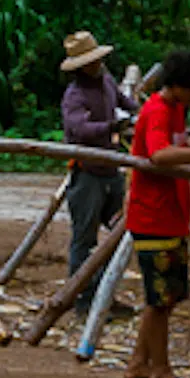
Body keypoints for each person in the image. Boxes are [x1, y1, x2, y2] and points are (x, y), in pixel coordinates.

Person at [120, 47, 190, 378]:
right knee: (161, 299)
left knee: (164, 297)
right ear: (179, 84)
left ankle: (138, 365)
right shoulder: (158, 110)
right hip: (153, 216)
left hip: (170, 216)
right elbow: (159, 154)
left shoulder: (177, 109)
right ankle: (160, 371)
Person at [56, 31, 125, 291]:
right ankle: (81, 296)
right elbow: (80, 129)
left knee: (119, 232)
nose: (97, 65)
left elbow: (124, 101)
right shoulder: (74, 96)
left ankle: (104, 293)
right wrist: (111, 126)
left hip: (110, 170)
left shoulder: (107, 81)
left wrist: (140, 112)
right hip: (87, 174)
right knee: (84, 239)